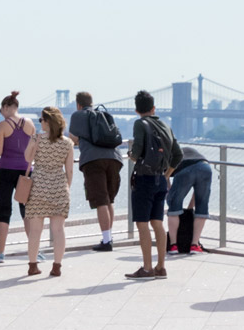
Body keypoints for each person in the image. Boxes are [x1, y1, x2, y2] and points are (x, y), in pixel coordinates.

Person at [123, 91, 177, 280]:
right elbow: (178, 155)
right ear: (154, 108)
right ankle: (161, 267)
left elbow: (136, 152)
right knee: (157, 223)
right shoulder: (165, 125)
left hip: (144, 179)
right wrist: (166, 174)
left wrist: (131, 155)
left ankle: (147, 269)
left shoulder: (140, 123)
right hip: (160, 180)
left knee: (142, 224)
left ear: (136, 110)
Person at [18, 106, 75, 276]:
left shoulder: (37, 138)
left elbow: (27, 158)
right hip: (58, 187)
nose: (40, 122)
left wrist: (33, 142)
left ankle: (33, 265)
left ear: (48, 122)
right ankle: (57, 266)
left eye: (41, 119)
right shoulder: (67, 143)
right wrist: (67, 187)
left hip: (38, 188)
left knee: (35, 230)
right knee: (58, 229)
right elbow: (70, 170)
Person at [67, 91, 124, 252]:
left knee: (100, 201)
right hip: (114, 158)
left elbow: (72, 138)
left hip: (93, 160)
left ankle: (107, 242)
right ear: (91, 103)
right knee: (109, 200)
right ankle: (109, 237)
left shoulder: (78, 115)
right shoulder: (103, 114)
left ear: (78, 104)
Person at [0, 93, 34, 264]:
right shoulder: (30, 123)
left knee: (4, 209)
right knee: (27, 210)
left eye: (1, 109)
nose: (1, 113)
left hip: (6, 170)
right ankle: (34, 250)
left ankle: (0, 253)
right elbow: (33, 149)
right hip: (25, 171)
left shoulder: (2, 125)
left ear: (7, 107)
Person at [169, 142, 214, 254]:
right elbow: (196, 190)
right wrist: (189, 208)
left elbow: (167, 186)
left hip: (185, 170)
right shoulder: (188, 150)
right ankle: (194, 245)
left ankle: (174, 245)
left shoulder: (166, 159)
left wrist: (171, 200)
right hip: (205, 167)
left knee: (173, 208)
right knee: (202, 206)